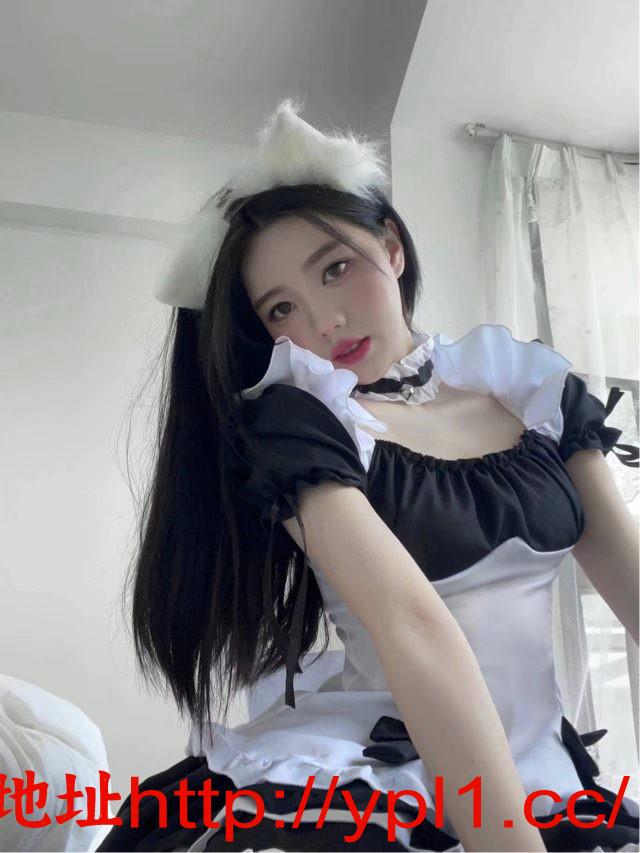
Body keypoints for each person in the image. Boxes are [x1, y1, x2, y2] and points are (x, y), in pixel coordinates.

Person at [99, 97, 640, 852]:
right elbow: (411, 623)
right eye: (281, 308)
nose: (324, 320)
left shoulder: (538, 396)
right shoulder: (301, 429)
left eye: (336, 268)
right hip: (382, 779)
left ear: (391, 246)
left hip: (543, 773)